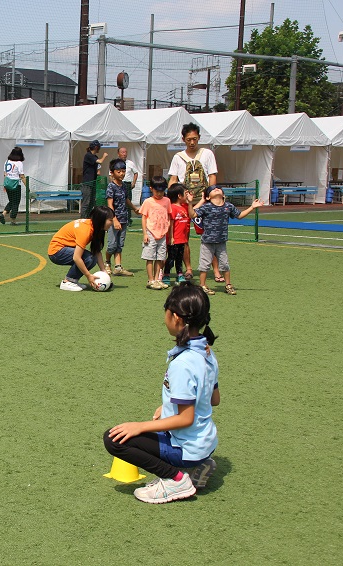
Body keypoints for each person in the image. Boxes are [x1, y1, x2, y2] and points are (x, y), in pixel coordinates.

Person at [103, 282, 220, 504]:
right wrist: (167, 408)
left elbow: (185, 418)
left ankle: (175, 479)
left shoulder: (183, 363)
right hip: (206, 443)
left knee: (113, 439)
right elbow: (214, 399)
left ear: (176, 317)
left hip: (186, 446)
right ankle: (200, 464)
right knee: (135, 433)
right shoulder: (208, 354)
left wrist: (140, 425)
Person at [187, 186, 263, 296]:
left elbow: (240, 215)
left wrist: (252, 207)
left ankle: (228, 285)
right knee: (204, 265)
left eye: (218, 188)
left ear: (223, 195)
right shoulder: (206, 207)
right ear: (208, 197)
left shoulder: (229, 206)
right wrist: (189, 202)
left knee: (225, 264)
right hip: (207, 242)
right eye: (213, 189)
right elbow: (192, 215)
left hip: (221, 242)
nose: (216, 189)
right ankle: (202, 286)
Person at [48, 205, 114, 291]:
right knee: (89, 258)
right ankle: (67, 281)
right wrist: (88, 276)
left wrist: (103, 271)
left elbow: (97, 251)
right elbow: (76, 257)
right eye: (110, 220)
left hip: (64, 249)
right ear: (101, 219)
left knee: (92, 258)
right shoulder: (85, 230)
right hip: (56, 252)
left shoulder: (97, 227)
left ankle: (73, 281)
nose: (112, 223)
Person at [104, 158, 140, 277]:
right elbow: (110, 204)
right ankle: (107, 263)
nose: (122, 174)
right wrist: (114, 220)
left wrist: (134, 208)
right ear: (112, 172)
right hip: (114, 220)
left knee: (120, 244)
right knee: (112, 245)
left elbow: (126, 199)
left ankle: (118, 267)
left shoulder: (124, 185)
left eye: (123, 171)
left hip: (124, 218)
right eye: (119, 171)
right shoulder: (111, 186)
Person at [139, 176, 173, 290]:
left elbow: (169, 216)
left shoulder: (167, 201)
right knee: (150, 257)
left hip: (162, 234)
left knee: (160, 257)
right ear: (151, 189)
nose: (159, 193)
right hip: (151, 233)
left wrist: (170, 235)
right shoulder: (148, 201)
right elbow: (144, 218)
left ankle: (158, 279)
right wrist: (145, 234)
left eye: (162, 191)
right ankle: (151, 279)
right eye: (157, 191)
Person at [167, 123, 218, 199]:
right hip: (184, 199)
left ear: (199, 137)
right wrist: (171, 198)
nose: (192, 143)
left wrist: (211, 197)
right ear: (183, 139)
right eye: (189, 139)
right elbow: (173, 179)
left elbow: (212, 176)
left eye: (194, 139)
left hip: (203, 199)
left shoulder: (207, 153)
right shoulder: (178, 157)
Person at [163, 184, 190, 284]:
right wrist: (171, 237)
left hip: (182, 239)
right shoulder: (173, 208)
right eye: (185, 193)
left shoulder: (183, 207)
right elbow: (171, 224)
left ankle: (179, 274)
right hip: (174, 240)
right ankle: (166, 274)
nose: (187, 195)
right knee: (171, 258)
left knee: (179, 258)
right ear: (179, 196)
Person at [81, 140, 108, 218]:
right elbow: (100, 161)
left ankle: (89, 217)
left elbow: (97, 167)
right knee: (86, 202)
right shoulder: (88, 155)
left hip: (93, 182)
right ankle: (83, 218)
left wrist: (97, 173)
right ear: (96, 147)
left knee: (92, 202)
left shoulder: (94, 157)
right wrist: (104, 156)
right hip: (87, 183)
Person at [0, 146, 26, 226]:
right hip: (15, 185)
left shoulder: (7, 162)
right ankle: (13, 220)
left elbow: (5, 174)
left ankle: (3, 214)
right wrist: (27, 185)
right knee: (16, 203)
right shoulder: (19, 163)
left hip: (8, 184)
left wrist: (4, 185)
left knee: (11, 201)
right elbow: (22, 176)